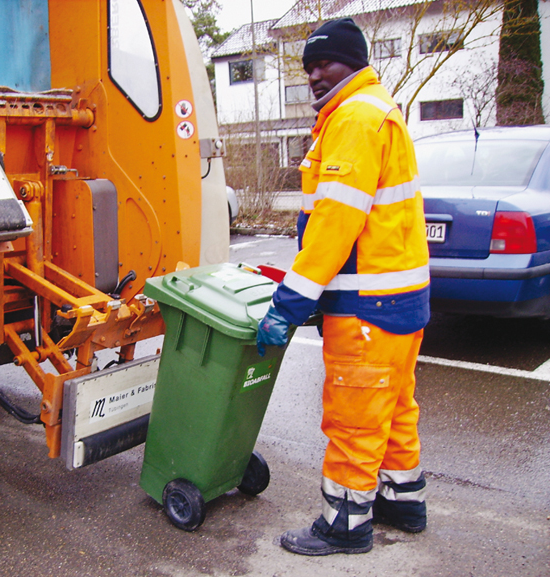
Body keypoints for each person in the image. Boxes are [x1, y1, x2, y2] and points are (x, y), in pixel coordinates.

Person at [256, 18, 430, 556]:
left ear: (353, 61)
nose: (313, 75)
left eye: (324, 63)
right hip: (399, 302)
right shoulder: (377, 110)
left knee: (354, 415)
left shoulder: (354, 118)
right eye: (308, 66)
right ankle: (402, 501)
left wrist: (289, 305)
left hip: (367, 307)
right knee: (394, 407)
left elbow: (334, 226)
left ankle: (345, 525)